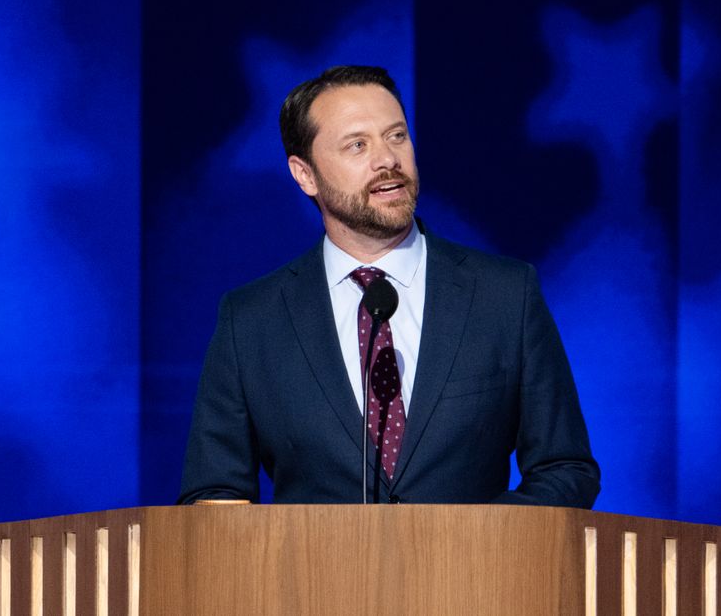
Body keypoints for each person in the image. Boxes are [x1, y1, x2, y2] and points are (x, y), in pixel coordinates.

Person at [179, 66, 600, 506]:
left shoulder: (505, 295)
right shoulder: (251, 321)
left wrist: (473, 541)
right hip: (311, 575)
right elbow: (213, 491)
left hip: (473, 572)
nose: (387, 160)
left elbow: (565, 469)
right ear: (304, 174)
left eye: (396, 136)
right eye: (358, 145)